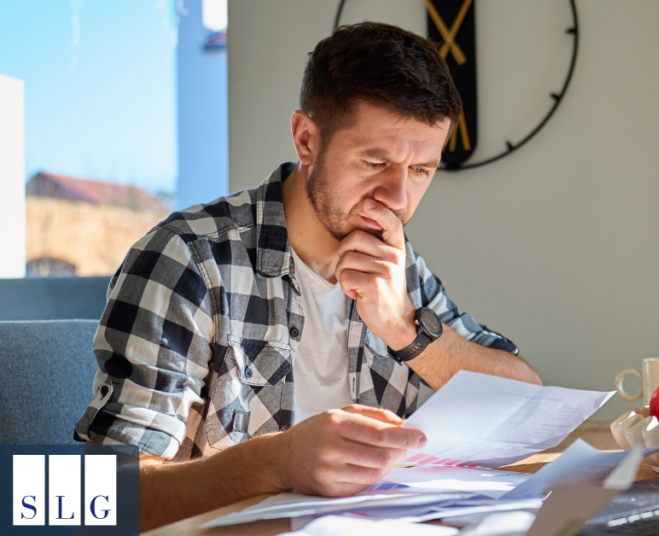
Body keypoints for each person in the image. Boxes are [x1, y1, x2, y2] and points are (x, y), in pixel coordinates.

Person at [73, 22, 541, 530]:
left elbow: (528, 401)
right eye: (374, 161)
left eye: (421, 170)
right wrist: (277, 462)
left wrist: (405, 327)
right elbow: (99, 499)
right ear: (306, 139)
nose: (399, 199)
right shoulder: (187, 259)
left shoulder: (394, 265)